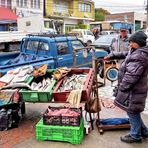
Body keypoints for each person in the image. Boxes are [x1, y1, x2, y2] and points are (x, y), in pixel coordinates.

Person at [104, 31, 148, 143]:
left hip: (133, 90)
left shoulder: (140, 56)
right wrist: (113, 55)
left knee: (132, 111)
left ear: (138, 43)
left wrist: (121, 88)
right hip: (134, 90)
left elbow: (131, 77)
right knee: (133, 111)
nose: (130, 44)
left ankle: (135, 136)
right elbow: (126, 54)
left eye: (132, 42)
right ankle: (144, 131)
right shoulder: (137, 51)